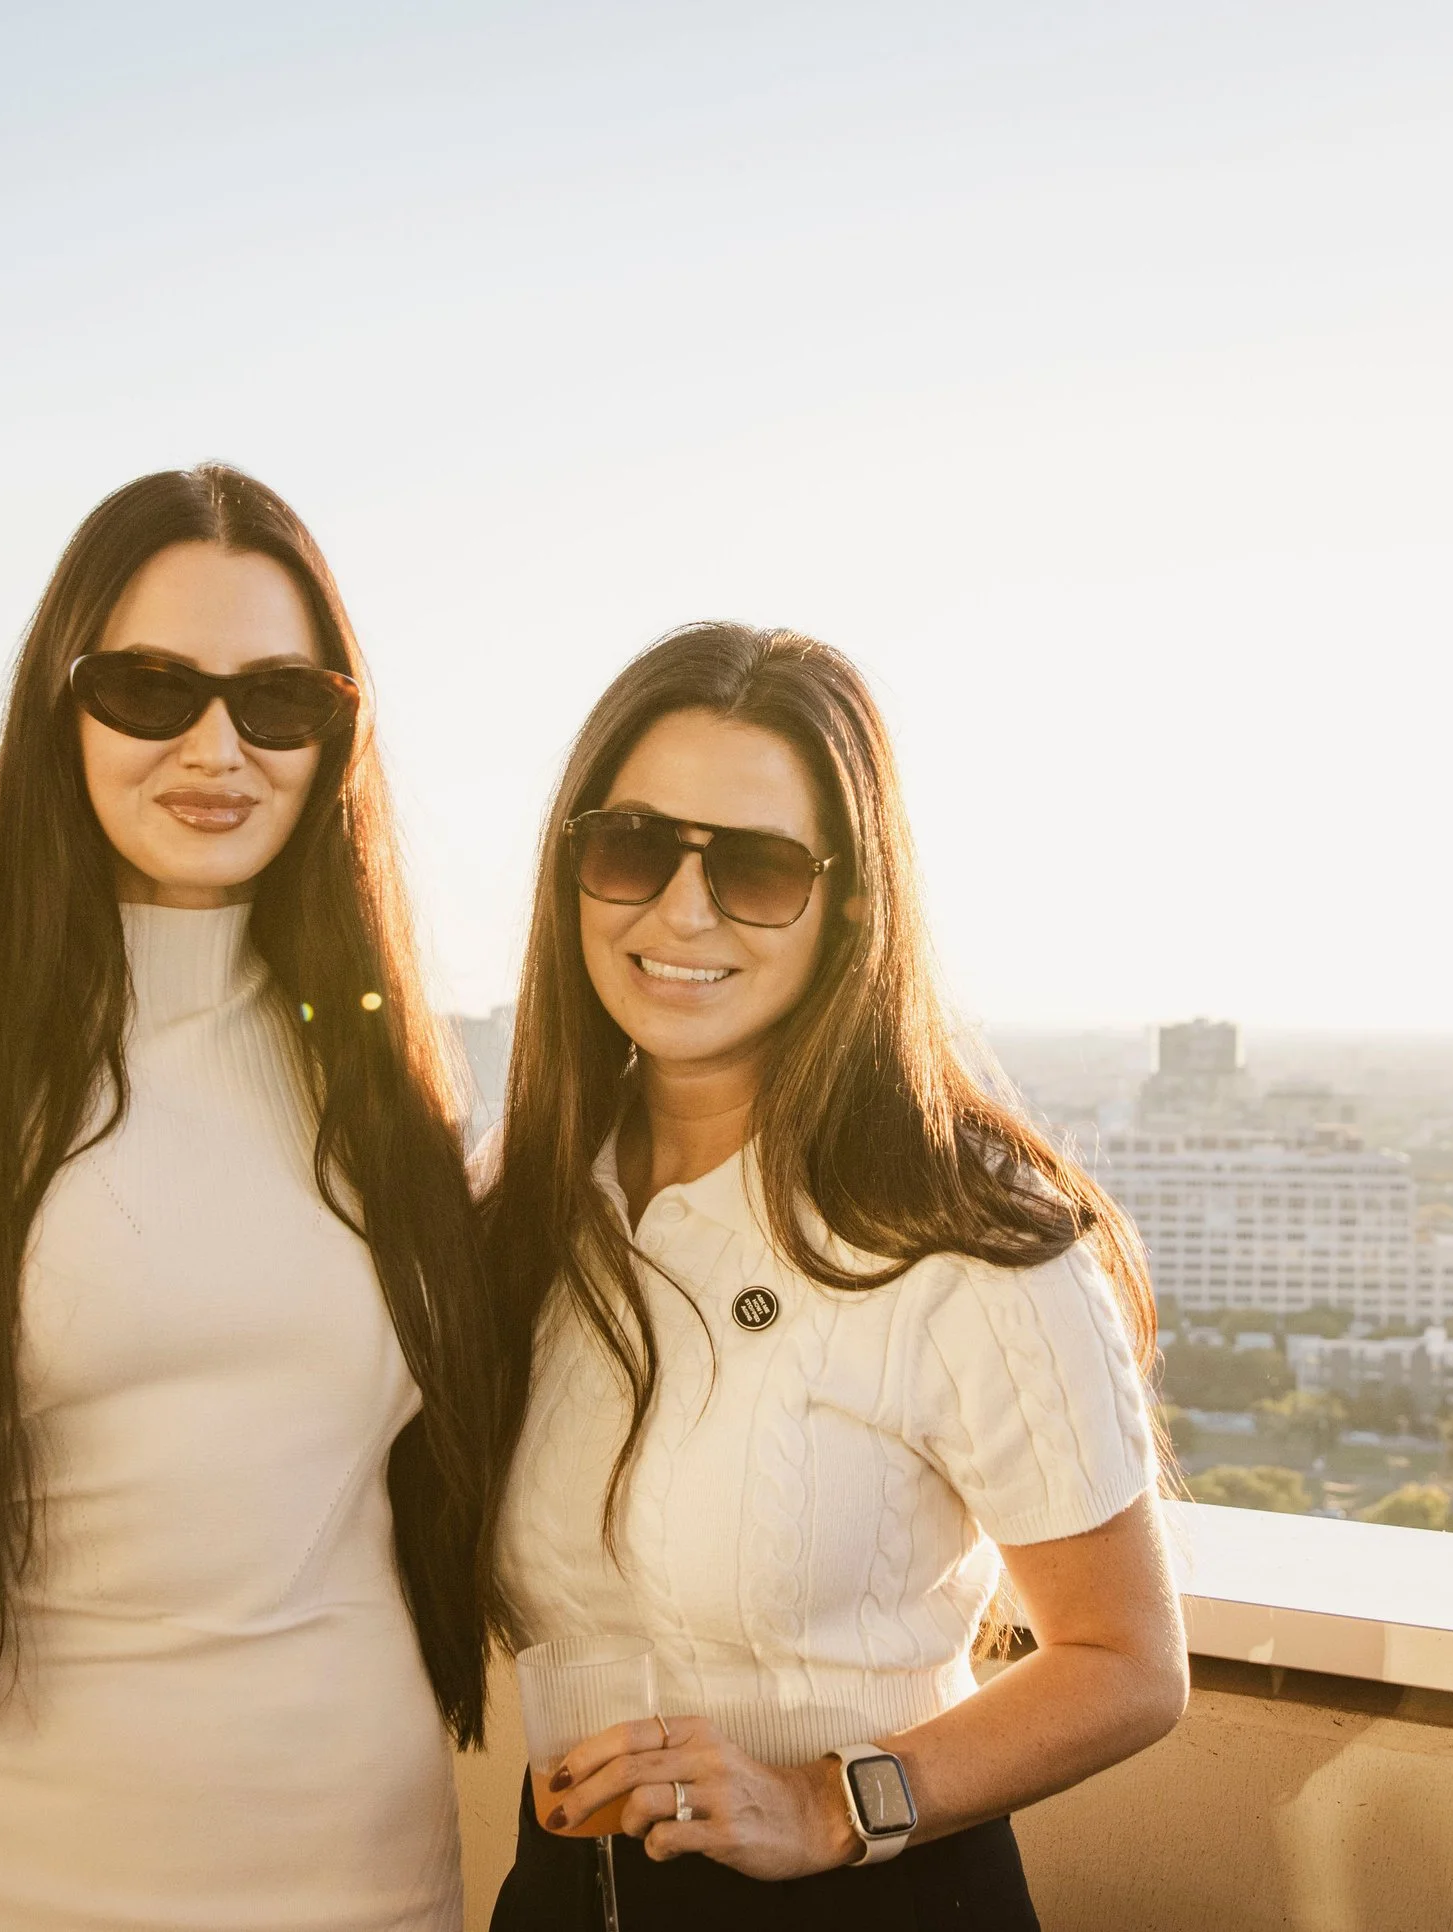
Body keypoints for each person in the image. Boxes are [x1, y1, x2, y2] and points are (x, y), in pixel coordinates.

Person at [0, 465, 502, 1931]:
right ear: (60, 709)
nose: (218, 747)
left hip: (371, 1881)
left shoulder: (395, 1083)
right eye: (151, 688)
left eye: (280, 700)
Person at [481, 625, 1187, 1931]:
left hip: (866, 1906)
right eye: (634, 845)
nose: (680, 913)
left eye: (754, 869)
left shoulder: (964, 1234)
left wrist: (832, 1804)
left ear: (851, 900)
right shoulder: (517, 1206)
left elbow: (1129, 1663)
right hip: (561, 1900)